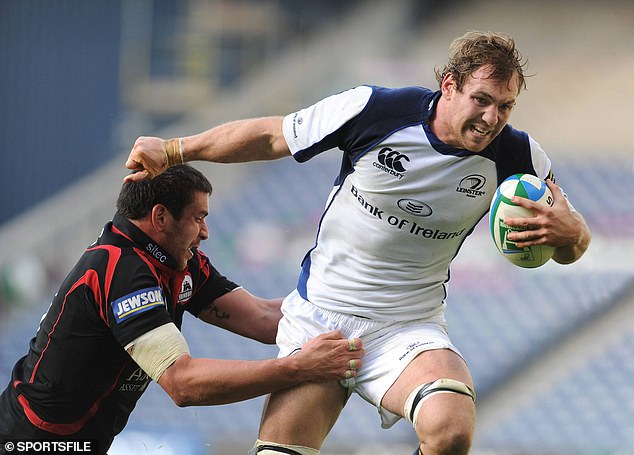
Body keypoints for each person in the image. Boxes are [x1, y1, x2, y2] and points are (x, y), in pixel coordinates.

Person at [124, 31, 591, 455]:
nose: (492, 118)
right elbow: (271, 138)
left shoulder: (520, 157)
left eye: (505, 107)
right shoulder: (375, 110)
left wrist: (573, 237)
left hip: (406, 326)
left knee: (450, 429)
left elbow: (573, 238)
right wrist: (175, 150)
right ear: (449, 85)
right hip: (320, 318)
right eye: (482, 100)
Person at [0, 164, 364, 455]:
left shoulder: (179, 263)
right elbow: (182, 384)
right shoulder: (122, 269)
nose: (205, 231)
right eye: (198, 217)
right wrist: (297, 368)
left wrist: (353, 300)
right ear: (160, 218)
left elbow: (265, 320)